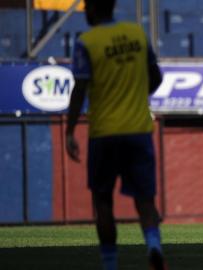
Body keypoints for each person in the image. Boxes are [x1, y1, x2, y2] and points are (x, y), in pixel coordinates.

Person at [65, 0, 167, 269]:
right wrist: (135, 94)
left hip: (104, 133)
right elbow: (156, 78)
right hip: (138, 130)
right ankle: (154, 247)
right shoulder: (137, 34)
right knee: (145, 199)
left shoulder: (87, 41)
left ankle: (110, 264)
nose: (86, 10)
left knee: (103, 200)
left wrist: (70, 130)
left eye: (87, 6)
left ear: (96, 8)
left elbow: (79, 89)